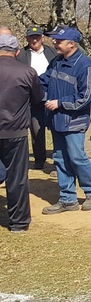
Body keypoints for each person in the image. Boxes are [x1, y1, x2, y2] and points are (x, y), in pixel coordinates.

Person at [39, 25, 91, 214]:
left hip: (74, 121)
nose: (54, 43)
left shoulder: (86, 66)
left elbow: (88, 95)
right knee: (60, 158)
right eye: (55, 40)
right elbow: (44, 81)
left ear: (72, 44)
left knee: (77, 157)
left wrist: (60, 103)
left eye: (59, 41)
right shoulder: (56, 61)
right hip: (56, 120)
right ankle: (68, 199)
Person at [0, 33, 44, 232]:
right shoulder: (27, 72)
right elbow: (37, 98)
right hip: (15, 130)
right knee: (17, 177)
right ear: (17, 52)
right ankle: (18, 222)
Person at [16, 25, 56, 170]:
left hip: (51, 95)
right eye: (31, 37)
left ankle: (58, 158)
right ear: (27, 38)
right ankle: (39, 159)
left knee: (56, 127)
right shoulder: (21, 54)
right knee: (36, 128)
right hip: (32, 97)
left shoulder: (53, 53)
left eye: (37, 37)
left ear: (42, 38)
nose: (34, 40)